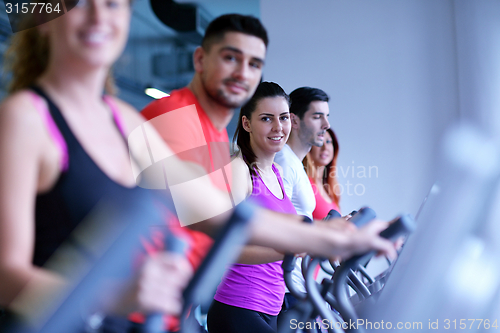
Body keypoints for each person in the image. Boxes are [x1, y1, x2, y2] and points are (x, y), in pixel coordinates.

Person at [0, 0, 193, 331]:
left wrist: (307, 233)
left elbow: (201, 203)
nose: (99, 16)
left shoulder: (124, 120)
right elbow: (5, 276)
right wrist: (113, 295)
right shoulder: (26, 117)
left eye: (112, 4)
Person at [207, 82, 295, 333]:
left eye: (284, 118)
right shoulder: (239, 170)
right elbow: (224, 248)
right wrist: (288, 250)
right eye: (267, 119)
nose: (278, 127)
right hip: (238, 308)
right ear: (246, 123)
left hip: (271, 308)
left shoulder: (276, 173)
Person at [273, 86, 331, 319]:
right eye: (317, 116)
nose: (326, 125)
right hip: (283, 287)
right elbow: (275, 222)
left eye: (327, 117)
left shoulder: (296, 163)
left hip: (295, 282)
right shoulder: (284, 161)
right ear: (294, 121)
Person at [303, 128, 342, 219]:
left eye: (328, 141)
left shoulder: (329, 188)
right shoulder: (305, 182)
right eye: (319, 141)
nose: (325, 148)